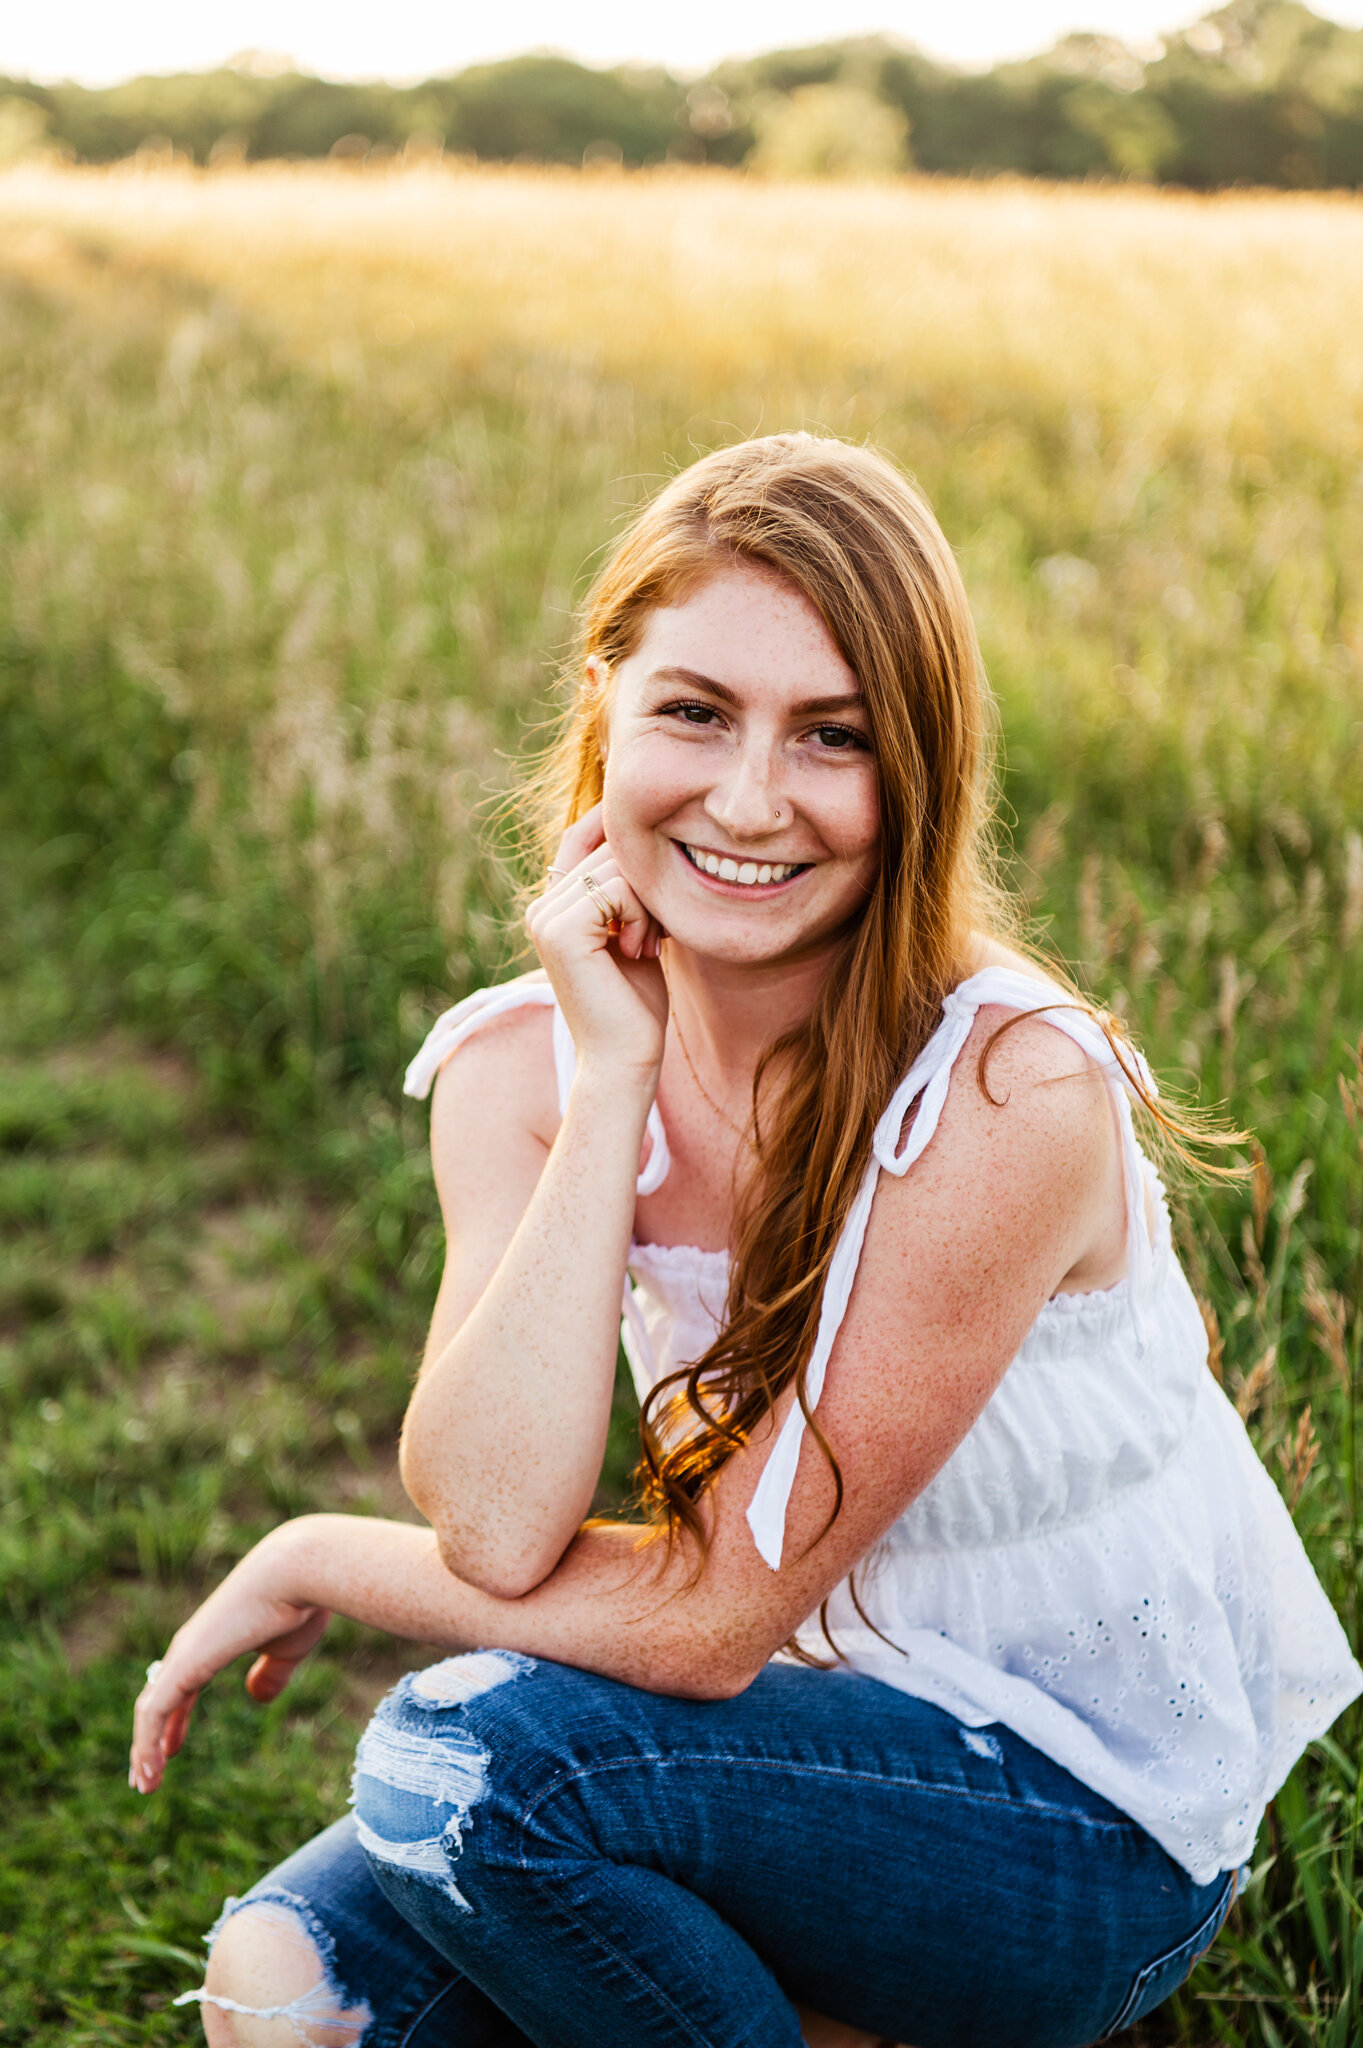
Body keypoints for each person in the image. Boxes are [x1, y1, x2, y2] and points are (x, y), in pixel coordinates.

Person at [131, 434, 1361, 2048]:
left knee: (458, 1769)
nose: (751, 799)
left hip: (1075, 1824)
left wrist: (313, 1556)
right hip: (775, 1742)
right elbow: (501, 1527)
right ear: (607, 706)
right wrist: (616, 1076)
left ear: (912, 774)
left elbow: (709, 1626)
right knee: (286, 1986)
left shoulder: (1001, 1092)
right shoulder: (523, 1068)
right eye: (695, 711)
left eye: (831, 736)